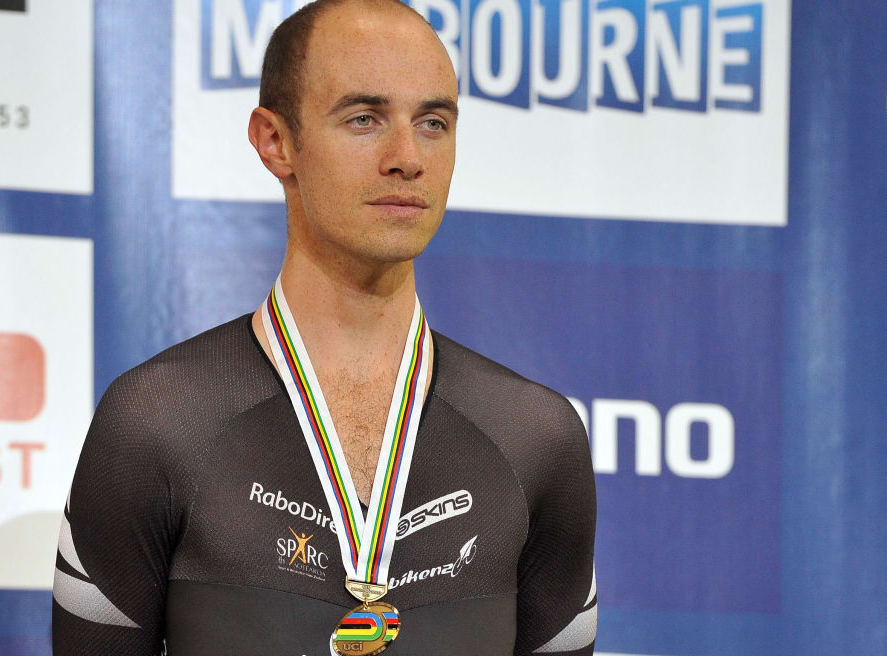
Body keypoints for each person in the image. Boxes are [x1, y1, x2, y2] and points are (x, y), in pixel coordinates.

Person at [52, 0, 596, 654]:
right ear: (275, 142)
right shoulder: (155, 421)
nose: (406, 157)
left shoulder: (537, 436)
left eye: (432, 122)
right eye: (364, 118)